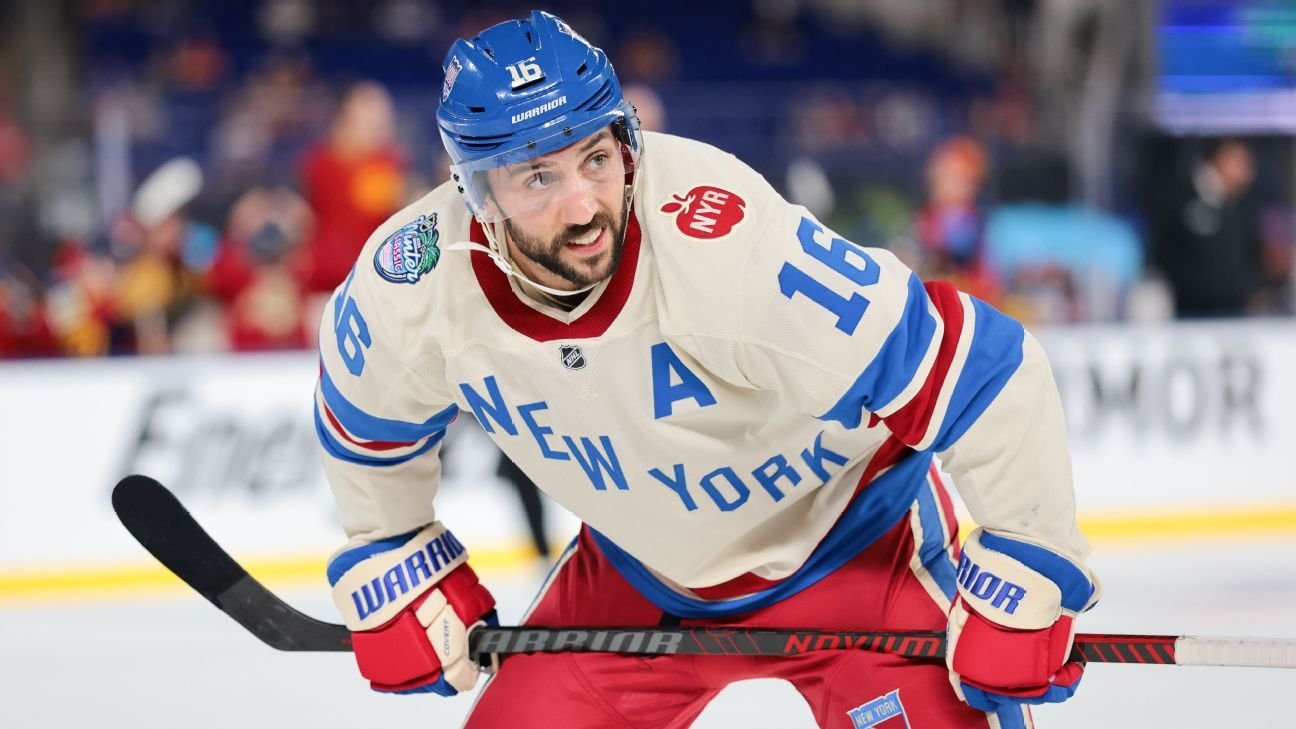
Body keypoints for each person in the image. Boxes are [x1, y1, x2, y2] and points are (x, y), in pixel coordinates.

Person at [314, 11, 1099, 728]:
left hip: (859, 547)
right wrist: (392, 546)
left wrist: (1028, 561)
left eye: (597, 158)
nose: (584, 207)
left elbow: (984, 371)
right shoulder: (409, 283)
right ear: (476, 192)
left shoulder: (731, 250)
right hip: (639, 576)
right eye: (539, 177)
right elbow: (363, 421)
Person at [1149, 137, 1264, 318]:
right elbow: (1164, 252)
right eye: (1238, 161)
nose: (1246, 172)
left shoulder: (1245, 206)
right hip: (1190, 314)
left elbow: (1250, 256)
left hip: (1235, 313)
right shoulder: (1181, 198)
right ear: (1218, 158)